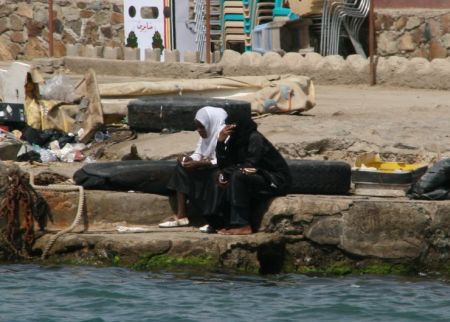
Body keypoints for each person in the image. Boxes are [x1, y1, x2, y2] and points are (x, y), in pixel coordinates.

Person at [215, 114, 292, 235]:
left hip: (274, 180)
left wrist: (226, 172)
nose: (231, 128)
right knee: (221, 176)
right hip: (255, 177)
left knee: (238, 176)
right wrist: (220, 142)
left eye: (234, 125)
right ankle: (226, 222)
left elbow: (250, 165)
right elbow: (224, 165)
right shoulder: (235, 141)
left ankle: (242, 224)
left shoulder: (255, 138)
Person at [159, 106, 228, 228]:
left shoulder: (224, 134)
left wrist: (201, 163)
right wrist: (188, 159)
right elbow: (199, 152)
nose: (199, 130)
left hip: (219, 169)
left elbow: (224, 160)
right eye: (198, 127)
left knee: (216, 175)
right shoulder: (206, 135)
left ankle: (214, 219)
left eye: (202, 127)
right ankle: (181, 215)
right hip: (206, 167)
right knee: (181, 168)